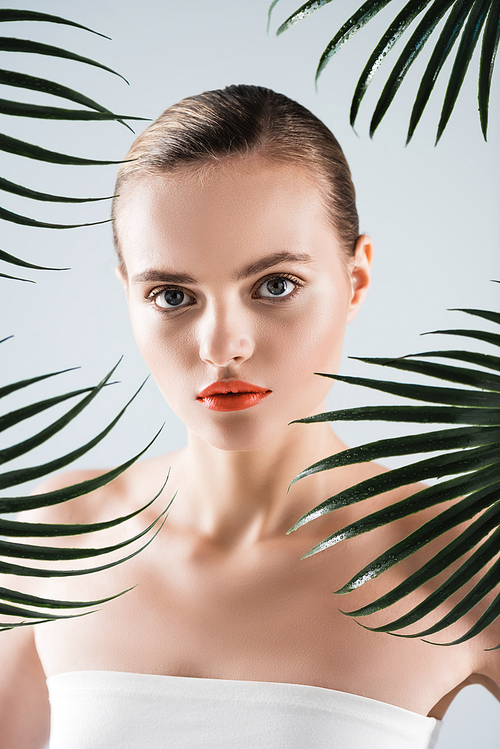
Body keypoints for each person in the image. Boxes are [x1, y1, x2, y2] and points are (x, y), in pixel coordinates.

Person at [1, 84, 498, 748]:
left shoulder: (457, 558)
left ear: (357, 279)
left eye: (274, 286)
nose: (220, 344)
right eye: (172, 294)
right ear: (128, 296)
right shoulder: (55, 538)